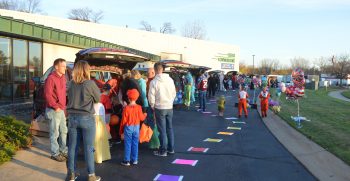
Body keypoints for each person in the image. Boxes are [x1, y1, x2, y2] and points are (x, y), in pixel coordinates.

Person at [66, 60, 101, 181]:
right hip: (86, 118)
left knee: (72, 147)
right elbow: (98, 98)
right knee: (88, 147)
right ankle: (91, 175)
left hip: (72, 118)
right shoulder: (90, 84)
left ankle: (71, 174)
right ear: (87, 70)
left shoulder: (70, 83)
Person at [148, 62, 176, 157]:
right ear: (162, 69)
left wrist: (152, 105)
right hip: (169, 106)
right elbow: (173, 93)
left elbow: (151, 96)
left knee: (162, 129)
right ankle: (171, 148)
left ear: (155, 70)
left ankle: (163, 150)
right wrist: (170, 102)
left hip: (159, 107)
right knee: (169, 128)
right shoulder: (170, 80)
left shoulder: (154, 82)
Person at [44, 58, 68, 162]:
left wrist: (64, 107)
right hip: (54, 110)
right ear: (56, 67)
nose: (65, 68)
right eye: (63, 66)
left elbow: (63, 93)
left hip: (61, 109)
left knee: (64, 131)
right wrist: (55, 106)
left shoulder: (63, 77)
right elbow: (48, 95)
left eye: (65, 66)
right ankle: (55, 153)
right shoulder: (51, 78)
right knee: (55, 133)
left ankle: (63, 150)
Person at [119, 89, 147, 166]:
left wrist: (121, 131)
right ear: (137, 98)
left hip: (128, 127)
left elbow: (123, 121)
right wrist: (145, 114)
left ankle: (127, 160)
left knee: (128, 143)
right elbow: (142, 118)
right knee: (135, 143)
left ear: (128, 98)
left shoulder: (126, 108)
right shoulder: (139, 107)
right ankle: (134, 159)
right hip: (136, 127)